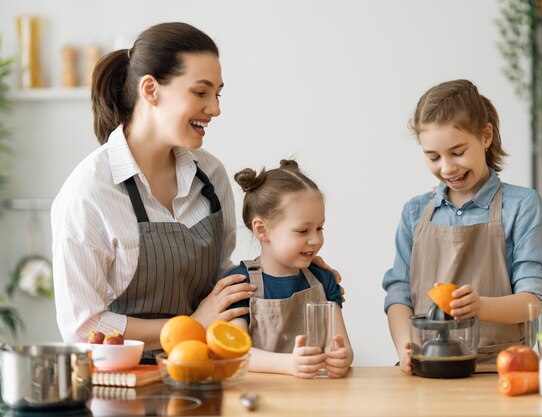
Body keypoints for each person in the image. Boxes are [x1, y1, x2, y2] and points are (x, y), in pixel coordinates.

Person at [50, 22, 340, 360]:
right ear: (151, 90)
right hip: (123, 383)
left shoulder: (211, 175)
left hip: (206, 371)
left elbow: (222, 279)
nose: (215, 109)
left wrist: (294, 268)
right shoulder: (89, 193)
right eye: (200, 92)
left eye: (217, 94)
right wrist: (189, 324)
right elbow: (83, 327)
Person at [382, 79, 542, 373]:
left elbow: (534, 300)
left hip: (501, 369)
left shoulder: (522, 205)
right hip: (428, 369)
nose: (446, 168)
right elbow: (398, 295)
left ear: (486, 136)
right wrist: (406, 347)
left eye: (458, 152)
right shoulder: (414, 212)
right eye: (433, 157)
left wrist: (480, 307)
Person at [226, 159, 353, 378]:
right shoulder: (240, 284)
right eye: (303, 231)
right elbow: (235, 353)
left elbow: (343, 346)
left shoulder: (323, 280)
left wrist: (342, 358)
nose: (315, 240)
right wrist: (287, 364)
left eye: (319, 228)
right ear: (262, 229)